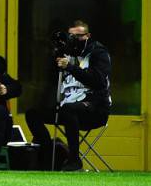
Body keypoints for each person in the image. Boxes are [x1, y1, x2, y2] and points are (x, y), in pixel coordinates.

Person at [26, 20, 111, 171]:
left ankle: (74, 160)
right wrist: (55, 57)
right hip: (68, 108)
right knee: (33, 114)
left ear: (88, 36)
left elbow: (97, 81)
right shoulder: (66, 54)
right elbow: (52, 82)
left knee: (68, 110)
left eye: (78, 36)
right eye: (71, 36)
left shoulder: (99, 53)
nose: (74, 40)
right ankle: (49, 153)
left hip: (95, 108)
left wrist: (70, 67)